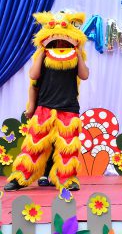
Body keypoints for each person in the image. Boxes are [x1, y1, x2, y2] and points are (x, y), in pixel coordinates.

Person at [4, 11, 89, 192]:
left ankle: (67, 179)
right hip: (44, 108)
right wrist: (42, 54)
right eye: (56, 42)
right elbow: (33, 78)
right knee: (33, 146)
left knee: (68, 148)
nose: (60, 45)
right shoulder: (43, 58)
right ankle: (20, 178)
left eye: (64, 42)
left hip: (68, 109)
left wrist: (78, 54)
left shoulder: (74, 58)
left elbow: (84, 75)